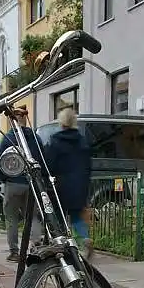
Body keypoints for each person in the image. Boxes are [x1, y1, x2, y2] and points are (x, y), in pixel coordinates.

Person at [0, 105, 44, 262]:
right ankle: (37, 246)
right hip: (31, 184)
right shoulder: (35, 138)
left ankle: (14, 252)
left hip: (13, 183)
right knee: (33, 217)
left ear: (12, 119)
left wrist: (5, 179)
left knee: (11, 219)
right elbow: (43, 158)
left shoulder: (8, 138)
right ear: (24, 119)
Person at [45, 107, 94, 260]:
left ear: (61, 122)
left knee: (59, 217)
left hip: (60, 185)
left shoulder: (55, 141)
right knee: (76, 216)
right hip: (80, 185)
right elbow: (88, 165)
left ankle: (63, 247)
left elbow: (49, 165)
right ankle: (84, 239)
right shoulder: (82, 141)